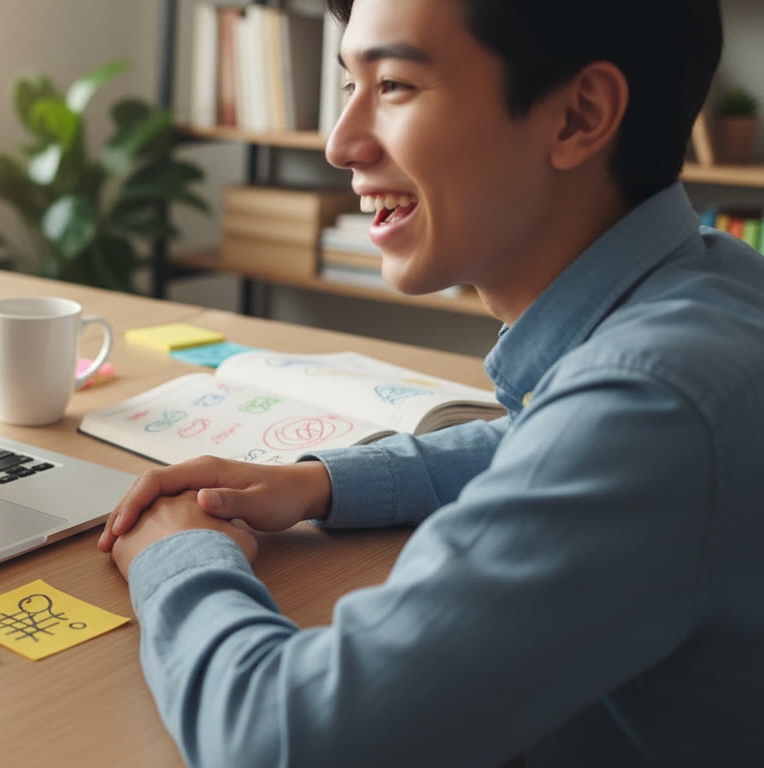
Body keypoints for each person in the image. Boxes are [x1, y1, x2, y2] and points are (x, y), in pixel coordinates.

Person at [96, 0, 764, 765]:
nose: (340, 144)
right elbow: (542, 438)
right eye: (349, 85)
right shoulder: (716, 281)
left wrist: (178, 554)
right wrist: (321, 484)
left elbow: (284, 740)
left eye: (394, 85)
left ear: (579, 116)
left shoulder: (654, 409)